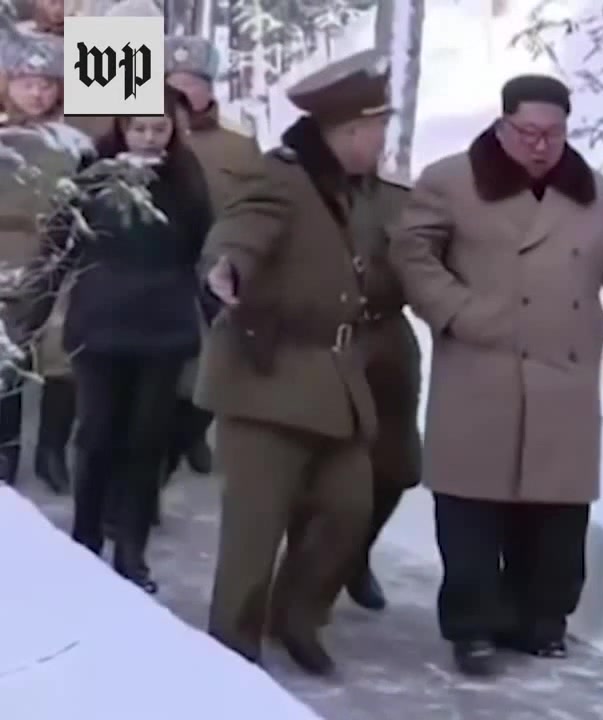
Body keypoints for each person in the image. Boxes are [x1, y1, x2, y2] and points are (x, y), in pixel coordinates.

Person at [389, 74, 603, 677]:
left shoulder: (593, 191)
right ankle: (472, 626)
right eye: (528, 132)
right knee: (472, 510)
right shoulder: (452, 180)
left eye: (554, 133)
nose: (542, 145)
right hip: (481, 364)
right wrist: (458, 310)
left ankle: (541, 621)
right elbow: (412, 253)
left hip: (562, 373)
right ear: (502, 126)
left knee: (554, 512)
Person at [197, 49, 389, 676]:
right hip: (266, 374)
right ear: (348, 131)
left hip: (335, 380)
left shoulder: (359, 190)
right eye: (377, 128)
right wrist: (227, 268)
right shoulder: (280, 177)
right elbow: (241, 229)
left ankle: (296, 616)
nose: (383, 140)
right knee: (254, 532)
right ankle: (230, 652)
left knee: (347, 510)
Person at [15, 86, 213, 592]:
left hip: (163, 329)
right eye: (138, 127)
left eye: (159, 129)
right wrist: (30, 315)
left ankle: (131, 550)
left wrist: (219, 315)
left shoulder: (187, 179)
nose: (148, 138)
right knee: (97, 435)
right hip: (101, 325)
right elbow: (58, 248)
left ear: (173, 130)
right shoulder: (93, 174)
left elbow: (204, 253)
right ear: (122, 127)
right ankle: (84, 541)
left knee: (146, 441)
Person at [163, 35, 263, 477]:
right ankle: (162, 446)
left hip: (217, 262)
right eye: (173, 82)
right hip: (162, 262)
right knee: (164, 362)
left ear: (210, 87)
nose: (184, 91)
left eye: (193, 82)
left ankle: (191, 431)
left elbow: (258, 203)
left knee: (216, 360)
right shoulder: (146, 131)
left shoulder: (238, 145)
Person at [0, 32, 90, 492]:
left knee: (60, 362)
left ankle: (51, 451)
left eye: (47, 84)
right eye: (27, 83)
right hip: (5, 266)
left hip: (60, 264)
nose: (37, 94)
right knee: (6, 363)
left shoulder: (76, 144)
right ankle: (6, 452)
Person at [339, 171, 422, 612]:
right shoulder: (299, 183)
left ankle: (357, 553)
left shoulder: (401, 198)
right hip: (327, 333)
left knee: (397, 462)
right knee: (324, 456)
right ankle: (309, 573)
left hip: (388, 333)